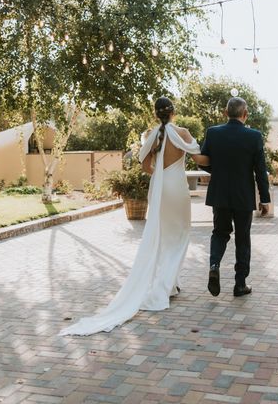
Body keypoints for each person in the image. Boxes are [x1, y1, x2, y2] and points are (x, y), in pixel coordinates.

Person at [59, 97, 209, 336]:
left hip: (160, 188)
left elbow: (145, 166)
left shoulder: (152, 134)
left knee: (162, 235)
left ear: (155, 114)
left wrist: (161, 171)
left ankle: (169, 284)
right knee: (179, 236)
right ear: (174, 112)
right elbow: (200, 159)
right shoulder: (183, 132)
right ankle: (164, 286)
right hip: (178, 188)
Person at [199, 97, 270, 297]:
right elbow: (260, 170)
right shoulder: (254, 136)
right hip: (243, 196)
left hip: (219, 194)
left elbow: (203, 162)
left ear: (225, 112)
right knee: (242, 239)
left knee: (219, 232)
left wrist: (219, 169)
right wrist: (264, 199)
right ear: (245, 114)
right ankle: (240, 284)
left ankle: (214, 265)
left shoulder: (213, 133)